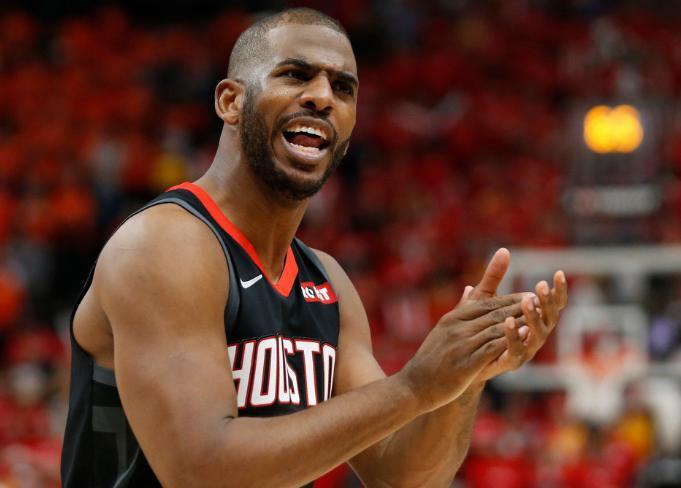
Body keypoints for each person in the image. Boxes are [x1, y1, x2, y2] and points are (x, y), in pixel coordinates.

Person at [61, 7, 568, 487]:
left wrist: (463, 377)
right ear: (231, 102)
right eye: (295, 75)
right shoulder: (164, 245)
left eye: (343, 87)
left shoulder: (326, 282)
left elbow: (400, 475)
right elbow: (201, 472)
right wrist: (413, 387)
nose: (323, 97)